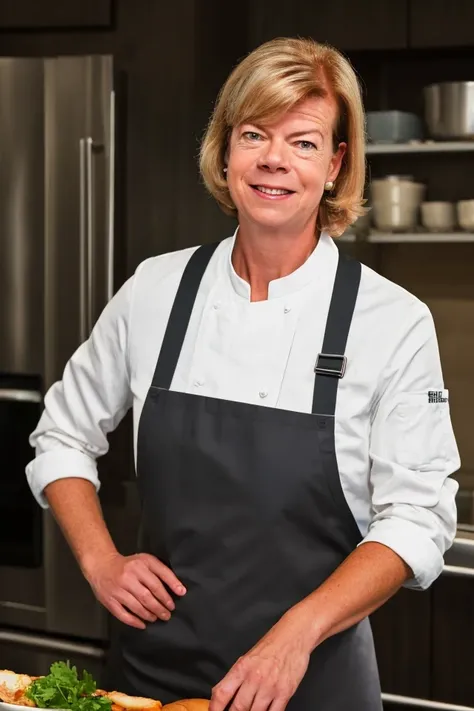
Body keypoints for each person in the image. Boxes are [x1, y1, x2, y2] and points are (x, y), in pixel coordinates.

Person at [26, 37, 460, 711]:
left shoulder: (391, 321)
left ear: (337, 162)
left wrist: (296, 633)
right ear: (225, 149)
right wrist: (100, 560)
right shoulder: (155, 290)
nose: (274, 160)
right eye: (254, 133)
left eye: (305, 141)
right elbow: (61, 435)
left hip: (312, 683)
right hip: (156, 684)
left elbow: (417, 517)